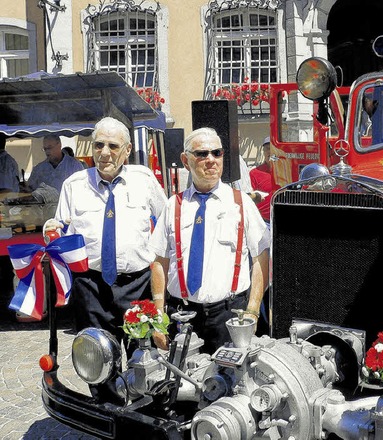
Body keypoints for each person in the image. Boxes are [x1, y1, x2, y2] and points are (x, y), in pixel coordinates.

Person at [45, 117, 167, 401]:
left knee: (143, 355)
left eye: (113, 146)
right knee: (99, 358)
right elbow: (59, 226)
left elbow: (166, 223)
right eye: (99, 145)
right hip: (91, 287)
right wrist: (49, 228)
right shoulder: (74, 184)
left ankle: (142, 412)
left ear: (126, 151)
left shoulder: (144, 180)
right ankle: (110, 414)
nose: (105, 152)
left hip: (138, 285)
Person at [149, 127, 269, 354]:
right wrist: (158, 315)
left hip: (229, 316)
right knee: (180, 383)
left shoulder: (241, 203)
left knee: (227, 385)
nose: (211, 160)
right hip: (181, 316)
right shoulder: (173, 205)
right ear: (186, 160)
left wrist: (252, 310)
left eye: (217, 153)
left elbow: (260, 257)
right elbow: (160, 262)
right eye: (202, 154)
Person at [249, 136, 275, 223]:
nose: (270, 152)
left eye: (273, 148)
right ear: (263, 151)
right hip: (263, 222)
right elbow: (249, 198)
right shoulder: (254, 173)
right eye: (267, 149)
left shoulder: (287, 172)